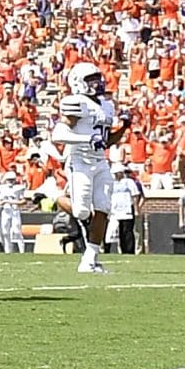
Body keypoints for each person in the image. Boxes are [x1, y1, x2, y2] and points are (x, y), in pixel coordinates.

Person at [53, 61, 116, 274]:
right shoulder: (76, 102)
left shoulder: (106, 105)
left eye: (97, 78)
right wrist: (87, 138)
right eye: (91, 79)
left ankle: (90, 259)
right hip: (80, 162)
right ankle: (60, 199)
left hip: (100, 161)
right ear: (78, 82)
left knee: (104, 207)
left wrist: (124, 127)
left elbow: (106, 140)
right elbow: (58, 134)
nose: (97, 83)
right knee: (81, 211)